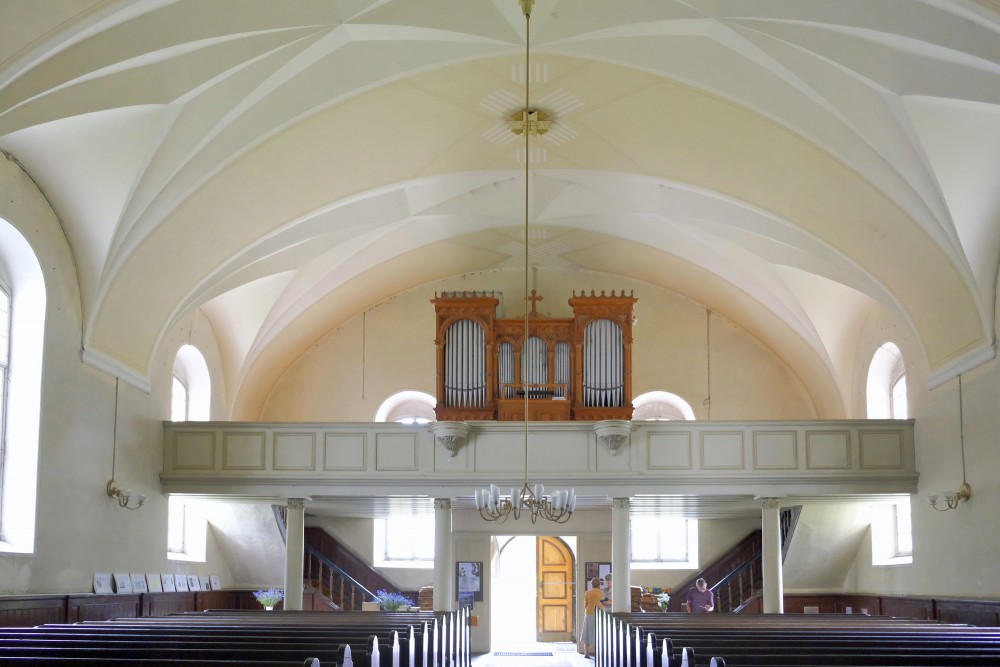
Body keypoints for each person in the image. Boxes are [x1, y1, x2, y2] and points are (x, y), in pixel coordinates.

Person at [582, 577, 604, 658]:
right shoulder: (601, 592)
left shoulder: (588, 592)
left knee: (587, 632)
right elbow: (603, 603)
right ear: (599, 585)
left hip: (589, 613)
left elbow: (585, 604)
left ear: (591, 585)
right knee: (598, 632)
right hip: (599, 613)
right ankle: (597, 652)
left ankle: (586, 653)